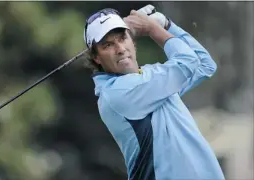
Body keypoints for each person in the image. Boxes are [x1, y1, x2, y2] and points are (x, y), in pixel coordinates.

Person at [83, 4, 225, 180]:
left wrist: (167, 25)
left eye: (122, 38)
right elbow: (188, 62)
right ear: (96, 57)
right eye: (107, 45)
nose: (120, 49)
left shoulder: (151, 77)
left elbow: (204, 65)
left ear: (132, 40)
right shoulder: (116, 93)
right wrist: (153, 29)